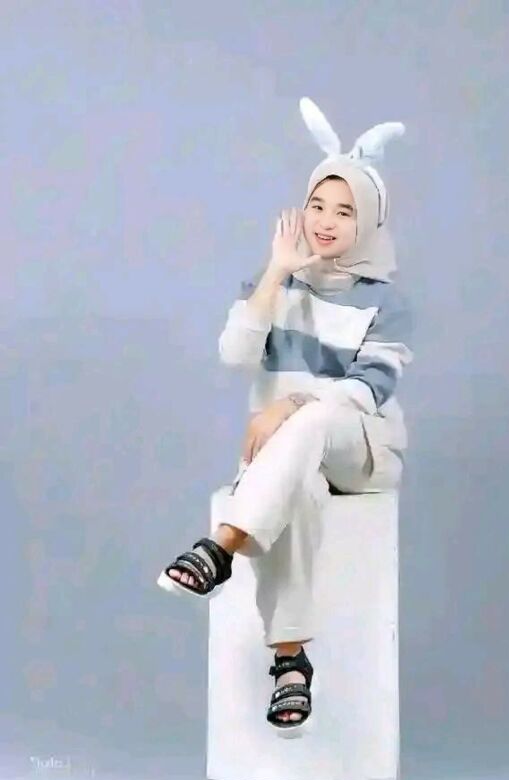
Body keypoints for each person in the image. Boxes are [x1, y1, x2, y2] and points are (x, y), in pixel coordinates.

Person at [157, 97, 413, 735]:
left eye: (345, 210)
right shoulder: (277, 282)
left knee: (313, 424)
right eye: (317, 205)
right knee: (297, 490)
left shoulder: (387, 301)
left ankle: (222, 545)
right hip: (289, 458)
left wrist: (293, 403)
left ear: (369, 221)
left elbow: (369, 388)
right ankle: (291, 662)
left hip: (360, 449)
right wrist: (276, 272)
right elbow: (234, 354)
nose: (326, 221)